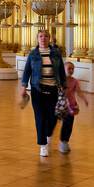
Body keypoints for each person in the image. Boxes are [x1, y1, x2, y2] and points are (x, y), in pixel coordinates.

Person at [20, 28, 67, 157]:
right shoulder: (33, 54)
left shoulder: (56, 53)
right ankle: (43, 145)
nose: (43, 38)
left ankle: (48, 134)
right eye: (41, 36)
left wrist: (64, 86)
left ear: (49, 38)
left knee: (53, 118)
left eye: (46, 36)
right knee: (40, 118)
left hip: (53, 90)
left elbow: (62, 71)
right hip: (38, 90)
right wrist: (23, 87)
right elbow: (27, 71)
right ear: (37, 38)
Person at [56, 61, 88, 153]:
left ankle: (64, 142)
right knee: (56, 124)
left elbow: (79, 92)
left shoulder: (74, 81)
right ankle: (50, 139)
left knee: (68, 125)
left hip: (71, 106)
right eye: (69, 68)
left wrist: (84, 99)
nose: (71, 70)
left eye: (72, 69)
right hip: (61, 105)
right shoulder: (60, 81)